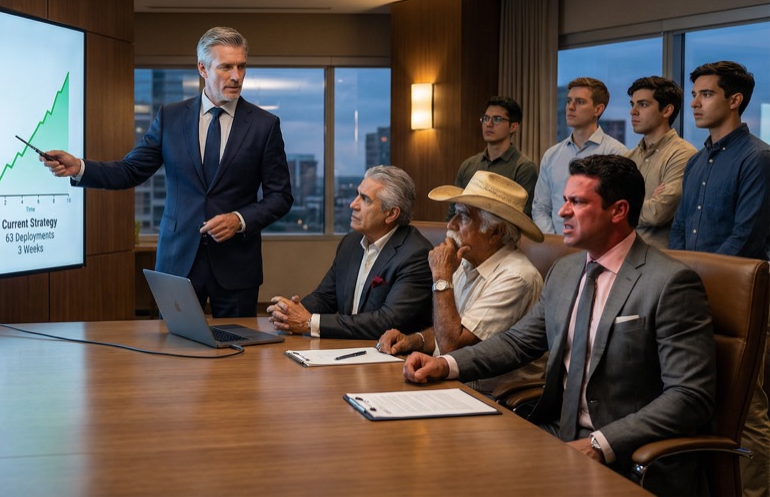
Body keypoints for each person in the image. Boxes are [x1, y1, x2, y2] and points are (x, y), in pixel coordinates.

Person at [405, 155, 716, 495]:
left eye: (577, 202)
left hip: (628, 455)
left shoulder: (670, 282)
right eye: (565, 200)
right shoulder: (566, 271)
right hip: (557, 434)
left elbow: (690, 396)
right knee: (444, 466)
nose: (562, 212)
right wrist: (445, 364)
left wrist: (601, 443)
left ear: (618, 211)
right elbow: (517, 343)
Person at [43, 27, 293, 317]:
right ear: (202, 68)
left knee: (239, 353)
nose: (236, 76)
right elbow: (131, 170)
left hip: (236, 265)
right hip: (177, 262)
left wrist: (239, 220)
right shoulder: (171, 117)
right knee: (174, 353)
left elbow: (281, 197)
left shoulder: (264, 125)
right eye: (226, 67)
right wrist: (81, 167)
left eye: (241, 66)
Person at [669, 60, 770, 497]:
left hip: (742, 302)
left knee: (747, 410)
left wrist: (691, 281)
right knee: (700, 402)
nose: (694, 102)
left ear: (735, 100)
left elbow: (744, 240)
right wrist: (674, 278)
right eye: (694, 94)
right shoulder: (697, 161)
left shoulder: (758, 158)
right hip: (693, 299)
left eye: (705, 94)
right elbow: (677, 232)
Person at [379, 171, 545, 396]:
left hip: (492, 399)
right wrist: (413, 340)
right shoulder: (467, 261)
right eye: (454, 214)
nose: (451, 224)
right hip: (450, 385)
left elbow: (452, 346)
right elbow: (451, 327)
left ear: (495, 232)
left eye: (464, 216)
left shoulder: (516, 276)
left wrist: (441, 276)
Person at [266, 166, 431, 339]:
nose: (353, 204)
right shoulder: (351, 243)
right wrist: (288, 312)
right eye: (357, 194)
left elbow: (386, 321)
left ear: (391, 214)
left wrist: (309, 323)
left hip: (394, 359)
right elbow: (325, 297)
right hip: (347, 349)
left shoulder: (416, 254)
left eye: (365, 199)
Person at [532, 77, 626, 234]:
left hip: (598, 250)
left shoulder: (616, 153)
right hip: (556, 247)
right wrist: (555, 244)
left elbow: (616, 211)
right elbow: (541, 208)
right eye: (569, 101)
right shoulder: (551, 155)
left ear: (598, 109)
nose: (570, 107)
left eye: (580, 102)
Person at [623, 76, 696, 248]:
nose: (633, 111)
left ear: (666, 111)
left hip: (658, 261)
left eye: (643, 104)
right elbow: (607, 208)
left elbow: (658, 213)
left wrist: (623, 207)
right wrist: (647, 202)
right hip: (623, 255)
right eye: (632, 104)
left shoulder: (683, 154)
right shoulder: (628, 157)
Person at [446, 96, 537, 219]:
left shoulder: (524, 167)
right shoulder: (468, 165)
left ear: (513, 127)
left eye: (497, 119)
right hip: (465, 234)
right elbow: (453, 213)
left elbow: (522, 218)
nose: (489, 124)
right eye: (486, 118)